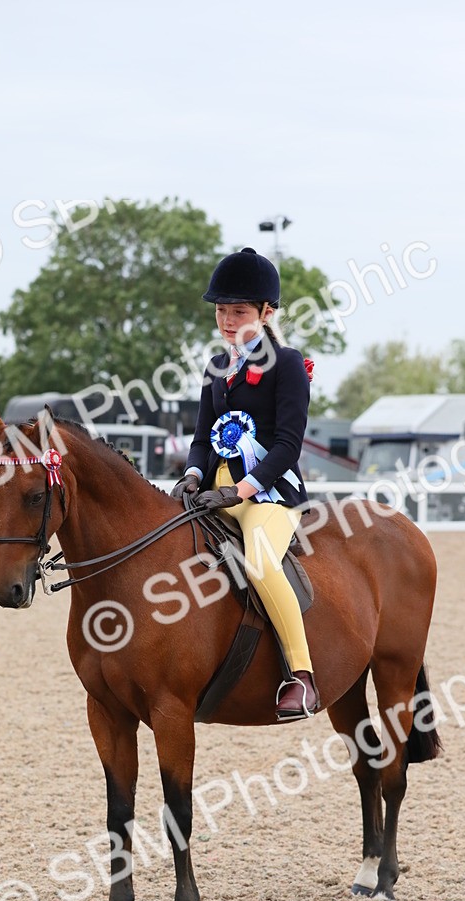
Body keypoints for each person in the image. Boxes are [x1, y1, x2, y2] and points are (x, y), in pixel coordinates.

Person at [171, 246, 319, 721]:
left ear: (267, 312)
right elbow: (200, 439)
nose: (228, 320)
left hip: (268, 494)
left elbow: (288, 445)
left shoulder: (288, 363)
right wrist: (193, 475)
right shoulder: (217, 367)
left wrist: (243, 490)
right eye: (221, 311)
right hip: (212, 491)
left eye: (239, 311)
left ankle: (302, 676)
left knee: (258, 559)